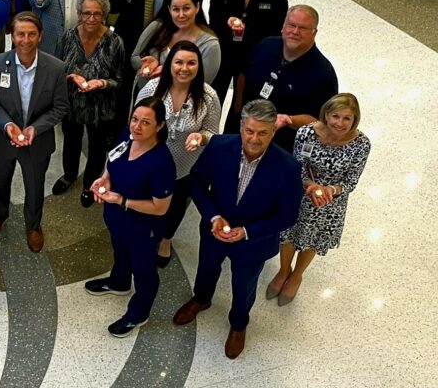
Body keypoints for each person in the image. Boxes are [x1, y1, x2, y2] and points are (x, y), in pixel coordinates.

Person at [171, 99, 303, 359]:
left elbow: (288, 215)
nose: (254, 139)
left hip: (253, 240)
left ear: (273, 131)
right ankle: (201, 298)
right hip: (214, 230)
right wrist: (213, 217)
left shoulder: (288, 167)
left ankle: (239, 324)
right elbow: (196, 185)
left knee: (244, 284)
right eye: (249, 131)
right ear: (241, 127)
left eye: (263, 133)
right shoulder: (219, 146)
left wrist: (247, 232)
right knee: (207, 267)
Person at [84, 97, 175, 338]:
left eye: (145, 122)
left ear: (159, 126)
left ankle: (139, 312)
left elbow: (160, 207)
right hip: (115, 215)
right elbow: (112, 158)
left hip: (142, 227)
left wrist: (123, 201)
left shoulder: (161, 163)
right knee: (119, 251)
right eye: (135, 119)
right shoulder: (128, 135)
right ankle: (119, 282)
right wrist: (105, 177)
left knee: (144, 271)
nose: (137, 126)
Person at [271, 94, 371, 304]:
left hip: (330, 204)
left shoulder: (361, 145)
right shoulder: (307, 132)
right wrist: (310, 185)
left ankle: (297, 275)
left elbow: (351, 181)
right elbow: (297, 164)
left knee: (313, 240)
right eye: (335, 116)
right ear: (326, 113)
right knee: (288, 234)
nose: (340, 123)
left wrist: (329, 190)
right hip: (300, 193)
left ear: (355, 120)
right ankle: (283, 271)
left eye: (347, 119)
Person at [0, 12, 70, 252]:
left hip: (37, 141)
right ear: (12, 35)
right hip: (3, 139)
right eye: (20, 34)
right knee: (0, 181)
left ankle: (33, 225)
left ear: (40, 36)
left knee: (35, 186)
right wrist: (8, 125)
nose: (26, 39)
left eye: (32, 34)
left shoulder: (55, 68)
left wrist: (35, 128)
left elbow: (61, 107)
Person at [137, 41, 221, 266]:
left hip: (186, 166)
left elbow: (213, 133)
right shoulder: (152, 88)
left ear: (199, 66)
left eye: (191, 63)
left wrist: (200, 137)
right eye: (179, 62)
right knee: (146, 201)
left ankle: (166, 239)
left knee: (175, 207)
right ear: (170, 64)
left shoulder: (208, 96)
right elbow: (135, 123)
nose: (184, 68)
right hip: (151, 162)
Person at [52, 0, 125, 206]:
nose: (91, 19)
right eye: (86, 14)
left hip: (100, 106)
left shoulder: (114, 42)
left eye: (96, 14)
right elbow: (56, 69)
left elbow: (119, 79)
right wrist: (69, 76)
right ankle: (69, 175)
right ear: (79, 14)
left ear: (104, 15)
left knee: (97, 145)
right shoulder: (68, 37)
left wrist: (101, 83)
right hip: (72, 103)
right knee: (71, 140)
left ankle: (90, 184)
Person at [234, 4, 338, 150]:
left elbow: (321, 120)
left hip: (280, 145)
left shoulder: (323, 73)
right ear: (283, 26)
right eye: (291, 25)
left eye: (303, 28)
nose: (295, 32)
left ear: (314, 33)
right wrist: (237, 109)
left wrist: (288, 119)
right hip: (242, 129)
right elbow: (243, 75)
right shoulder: (266, 45)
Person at [208, 0, 289, 105]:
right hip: (222, 51)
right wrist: (227, 20)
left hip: (253, 57)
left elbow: (274, 32)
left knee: (243, 102)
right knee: (213, 97)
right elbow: (214, 16)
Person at [131, 0, 220, 95]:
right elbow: (134, 59)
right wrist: (151, 65)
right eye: (176, 9)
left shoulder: (210, 45)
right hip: (145, 100)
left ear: (197, 7)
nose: (181, 15)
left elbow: (203, 85)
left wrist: (167, 71)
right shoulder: (157, 27)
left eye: (186, 8)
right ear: (169, 9)